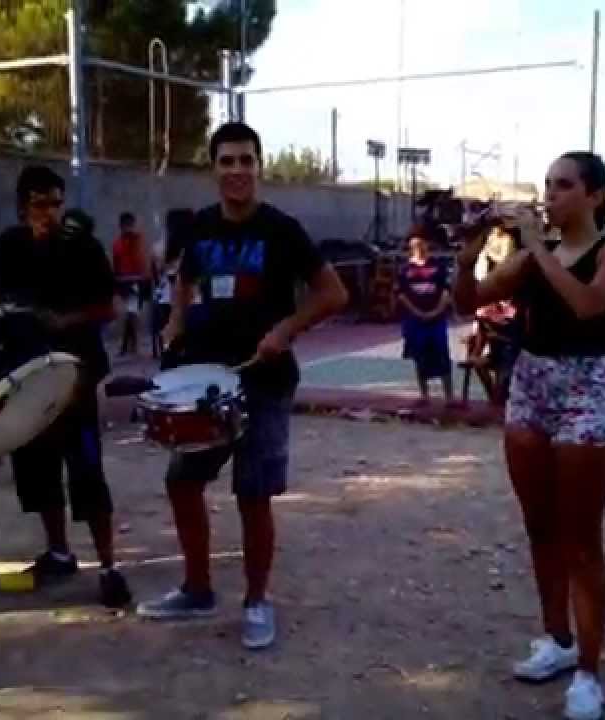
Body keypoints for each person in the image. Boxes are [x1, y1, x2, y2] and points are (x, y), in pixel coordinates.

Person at [136, 122, 349, 650]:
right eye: (226, 161)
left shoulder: (282, 229)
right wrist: (176, 324)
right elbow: (183, 280)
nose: (236, 171)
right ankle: (197, 588)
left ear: (259, 166)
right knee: (182, 483)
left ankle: (256, 601)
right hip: (207, 382)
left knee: (253, 497)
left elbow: (333, 293)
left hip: (265, 381)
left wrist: (285, 329)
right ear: (213, 169)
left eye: (245, 160)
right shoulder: (200, 227)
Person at [454, 152, 605, 720]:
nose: (551, 196)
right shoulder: (538, 254)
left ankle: (588, 671)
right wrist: (467, 253)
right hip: (531, 384)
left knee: (581, 538)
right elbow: (469, 299)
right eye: (548, 186)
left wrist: (533, 245)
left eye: (564, 186)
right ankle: (557, 640)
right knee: (539, 526)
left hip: (586, 386)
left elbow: (587, 306)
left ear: (595, 196)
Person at [0, 166, 131, 609]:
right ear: (21, 207)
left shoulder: (82, 247)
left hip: (76, 375)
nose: (50, 213)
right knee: (37, 469)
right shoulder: (9, 246)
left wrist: (65, 321)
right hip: (28, 374)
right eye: (40, 204)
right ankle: (58, 553)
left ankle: (109, 566)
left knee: (87, 470)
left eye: (56, 202)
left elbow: (109, 306)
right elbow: (7, 301)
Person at [397, 229, 456, 407]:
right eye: (415, 244)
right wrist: (416, 312)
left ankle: (449, 397)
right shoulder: (404, 269)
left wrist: (436, 311)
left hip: (436, 319)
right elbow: (401, 294)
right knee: (419, 355)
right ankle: (424, 395)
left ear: (427, 245)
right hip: (415, 320)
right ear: (410, 246)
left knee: (442, 354)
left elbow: (446, 292)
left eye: (422, 243)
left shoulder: (439, 266)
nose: (419, 247)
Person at [151, 208, 196, 360]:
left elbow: (156, 275)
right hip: (192, 303)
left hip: (165, 302)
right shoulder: (196, 246)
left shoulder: (160, 248)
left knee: (170, 353)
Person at [113, 212, 149, 357]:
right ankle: (129, 346)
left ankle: (129, 346)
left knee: (132, 313)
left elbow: (142, 259)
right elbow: (117, 263)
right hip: (125, 282)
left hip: (136, 281)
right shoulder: (118, 243)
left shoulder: (137, 240)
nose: (128, 228)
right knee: (130, 314)